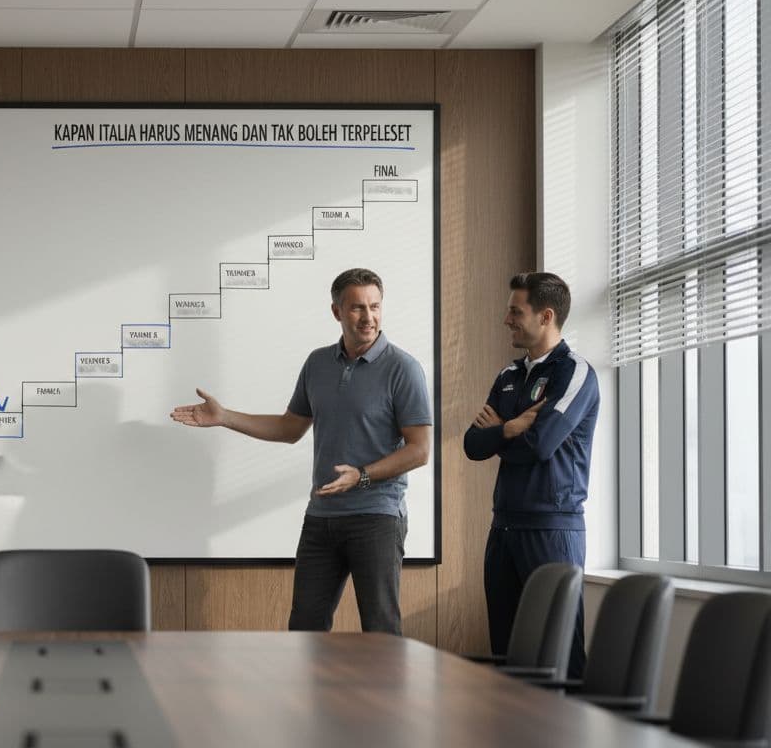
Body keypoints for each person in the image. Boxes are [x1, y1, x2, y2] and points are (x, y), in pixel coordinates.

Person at [170, 268, 432, 634]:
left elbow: (420, 450)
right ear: (336, 311)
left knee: (381, 630)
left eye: (375, 306)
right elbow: (289, 428)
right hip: (322, 518)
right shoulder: (318, 363)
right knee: (304, 630)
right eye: (357, 308)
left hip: (376, 517)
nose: (368, 317)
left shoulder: (403, 369)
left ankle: (388, 695)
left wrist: (362, 475)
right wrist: (225, 417)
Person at [463, 271, 599, 679]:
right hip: (503, 528)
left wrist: (499, 434)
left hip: (552, 529)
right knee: (507, 657)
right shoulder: (508, 375)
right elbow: (472, 445)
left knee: (561, 656)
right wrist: (509, 427)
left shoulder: (574, 373)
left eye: (515, 311)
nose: (506, 319)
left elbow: (541, 445)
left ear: (546, 316)